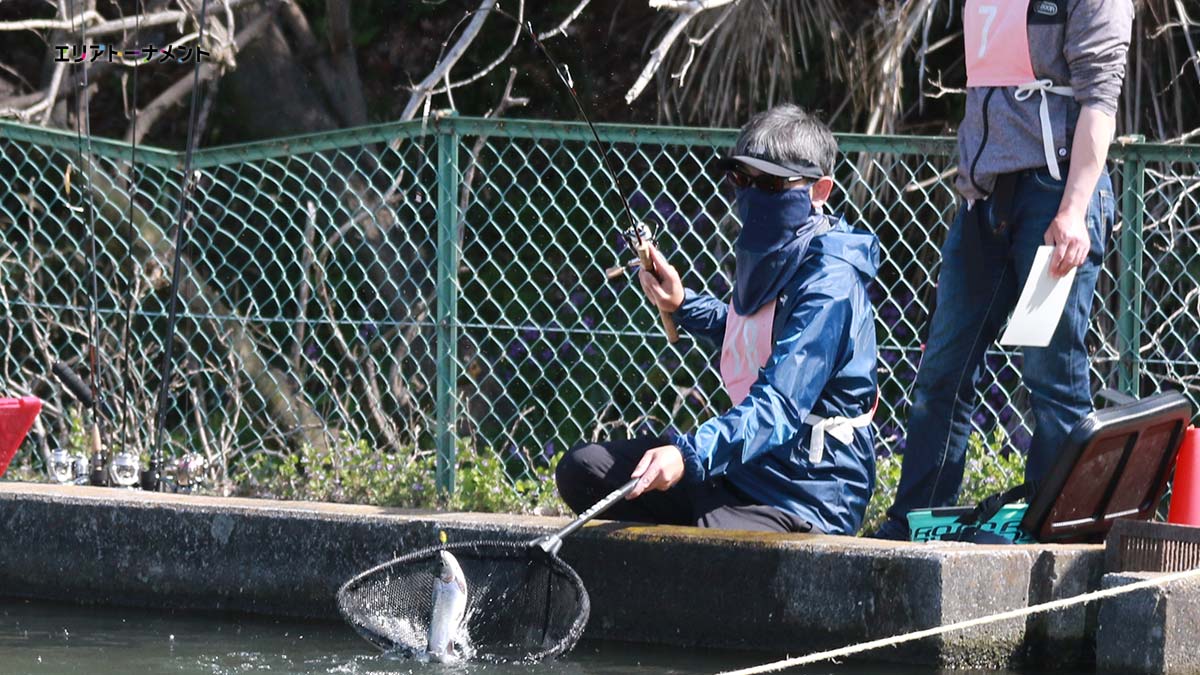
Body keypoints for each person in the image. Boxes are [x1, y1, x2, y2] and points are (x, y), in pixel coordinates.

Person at [871, 0, 1134, 540]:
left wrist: (1074, 211)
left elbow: (1099, 100)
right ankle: (916, 523)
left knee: (1051, 376)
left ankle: (1059, 530)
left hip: (1055, 196)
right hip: (985, 198)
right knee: (943, 369)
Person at [554, 104, 880, 535]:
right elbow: (748, 329)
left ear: (819, 190)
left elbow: (780, 404)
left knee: (712, 541)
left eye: (772, 183)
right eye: (742, 179)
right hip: (742, 467)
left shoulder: (830, 283)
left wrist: (689, 455)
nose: (753, 193)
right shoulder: (777, 251)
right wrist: (682, 302)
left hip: (807, 489)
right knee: (583, 470)